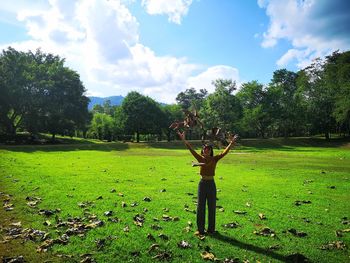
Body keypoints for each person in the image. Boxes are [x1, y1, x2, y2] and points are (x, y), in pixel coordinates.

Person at [177, 131, 238, 236]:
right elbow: (191, 150)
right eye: (205, 149)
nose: (206, 151)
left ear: (211, 151)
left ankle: (211, 230)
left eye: (208, 149)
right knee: (200, 207)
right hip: (202, 184)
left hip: (211, 184)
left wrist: (230, 144)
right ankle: (200, 230)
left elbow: (224, 153)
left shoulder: (215, 159)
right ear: (203, 151)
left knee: (212, 206)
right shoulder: (200, 158)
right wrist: (184, 140)